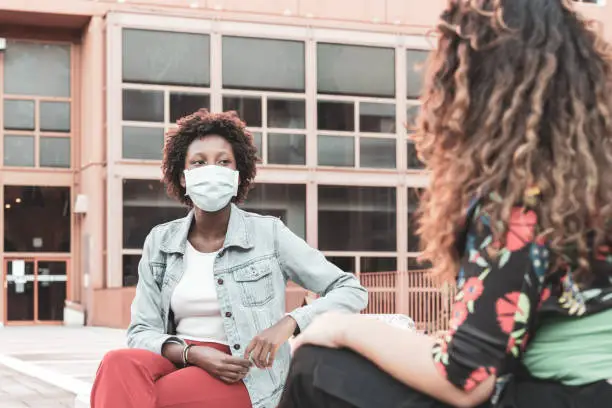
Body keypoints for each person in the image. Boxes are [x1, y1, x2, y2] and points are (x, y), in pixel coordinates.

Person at [278, 1, 612, 407]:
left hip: (567, 398)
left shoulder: (523, 197)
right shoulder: (588, 183)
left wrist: (339, 326)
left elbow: (466, 378)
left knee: (317, 366)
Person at [91, 109, 368, 408]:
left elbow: (350, 290)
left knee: (150, 399)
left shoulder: (268, 233)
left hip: (241, 372)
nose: (212, 169)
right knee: (116, 363)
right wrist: (192, 353)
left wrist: (288, 324)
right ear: (183, 178)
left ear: (237, 176)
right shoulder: (161, 242)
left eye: (223, 161)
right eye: (198, 162)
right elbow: (141, 332)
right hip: (181, 357)